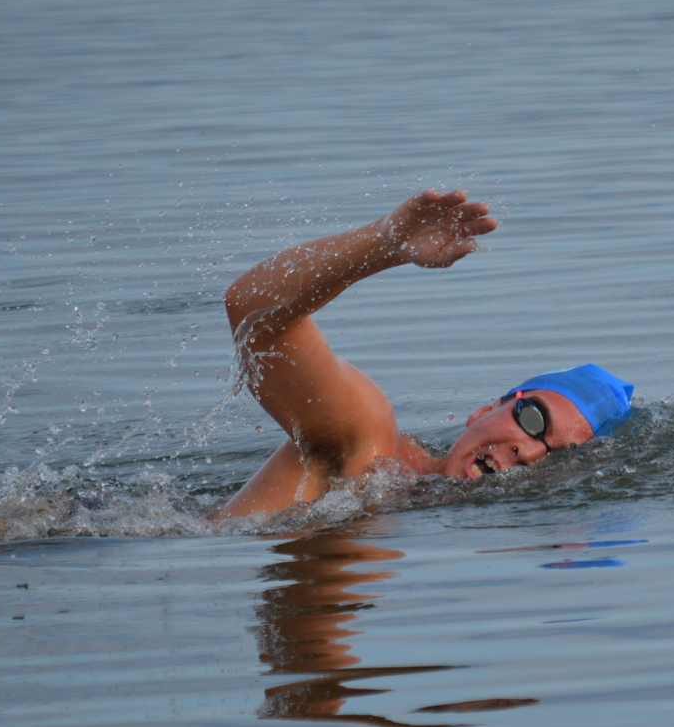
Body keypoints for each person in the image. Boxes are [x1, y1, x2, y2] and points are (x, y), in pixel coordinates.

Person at [214, 189, 633, 520]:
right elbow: (251, 307)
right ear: (486, 409)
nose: (531, 452)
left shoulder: (414, 513)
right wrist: (384, 244)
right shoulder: (371, 444)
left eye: (558, 456)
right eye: (534, 419)